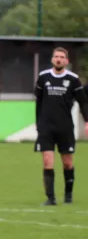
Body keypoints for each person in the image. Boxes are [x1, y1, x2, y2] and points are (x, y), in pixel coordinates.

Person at [34, 47, 88, 205]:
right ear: (52, 59)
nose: (58, 59)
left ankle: (68, 195)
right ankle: (50, 198)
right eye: (56, 56)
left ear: (66, 61)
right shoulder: (43, 77)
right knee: (47, 161)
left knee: (67, 162)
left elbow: (83, 102)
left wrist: (87, 121)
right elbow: (38, 102)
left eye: (62, 57)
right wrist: (38, 123)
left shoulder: (73, 79)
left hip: (65, 127)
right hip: (46, 127)